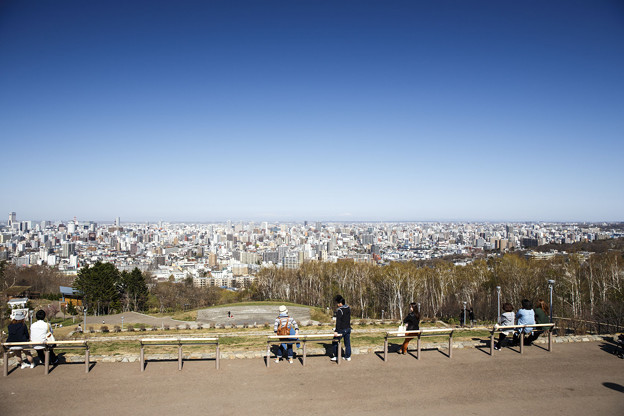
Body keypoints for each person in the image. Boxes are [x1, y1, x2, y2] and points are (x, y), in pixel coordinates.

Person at [332, 295, 351, 361]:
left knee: (335, 341)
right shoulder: (348, 308)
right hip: (348, 328)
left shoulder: (339, 310)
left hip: (342, 329)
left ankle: (336, 356)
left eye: (337, 303)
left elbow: (338, 321)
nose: (337, 304)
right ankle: (348, 356)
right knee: (347, 343)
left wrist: (336, 331)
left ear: (340, 303)